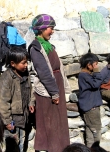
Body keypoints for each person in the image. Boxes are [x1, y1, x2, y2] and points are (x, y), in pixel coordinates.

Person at [28, 14, 71, 152]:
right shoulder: (35, 47)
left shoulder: (48, 46)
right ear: (41, 29)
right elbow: (44, 72)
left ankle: (61, 147)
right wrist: (54, 92)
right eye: (50, 28)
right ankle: (51, 148)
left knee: (59, 120)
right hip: (48, 90)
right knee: (49, 121)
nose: (52, 31)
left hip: (56, 85)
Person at [0, 47, 35, 152]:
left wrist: (31, 102)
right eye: (23, 63)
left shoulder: (25, 74)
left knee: (22, 140)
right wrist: (7, 121)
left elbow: (31, 89)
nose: (26, 65)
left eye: (27, 62)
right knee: (13, 143)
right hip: (13, 119)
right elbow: (3, 102)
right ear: (13, 63)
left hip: (24, 116)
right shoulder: (6, 79)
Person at [78, 53, 103, 149]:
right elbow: (96, 84)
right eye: (95, 64)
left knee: (90, 130)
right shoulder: (84, 76)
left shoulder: (85, 75)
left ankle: (89, 149)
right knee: (96, 131)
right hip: (92, 108)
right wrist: (97, 72)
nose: (97, 66)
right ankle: (95, 149)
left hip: (89, 107)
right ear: (89, 65)